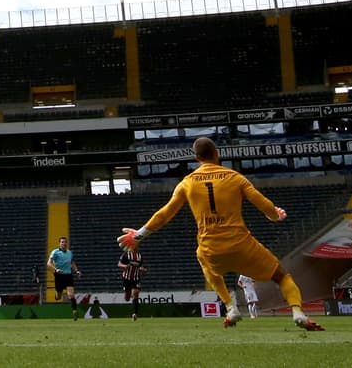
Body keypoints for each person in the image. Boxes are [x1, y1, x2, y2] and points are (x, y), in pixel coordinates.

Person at [116, 136, 323, 331]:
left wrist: (138, 235)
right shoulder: (235, 178)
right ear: (217, 154)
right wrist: (276, 215)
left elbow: (165, 214)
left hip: (211, 249)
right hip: (242, 245)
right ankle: (297, 312)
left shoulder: (187, 182)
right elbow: (265, 205)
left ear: (197, 158)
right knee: (282, 276)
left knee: (205, 263)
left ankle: (231, 308)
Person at [47, 236, 83, 320]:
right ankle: (57, 295)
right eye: (62, 242)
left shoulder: (69, 253)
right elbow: (48, 264)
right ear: (59, 243)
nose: (64, 243)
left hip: (68, 275)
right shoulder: (55, 252)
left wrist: (76, 271)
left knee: (71, 295)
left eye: (65, 242)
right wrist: (56, 269)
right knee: (59, 296)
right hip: (59, 276)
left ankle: (74, 311)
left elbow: (72, 262)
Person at [117, 244, 144, 320]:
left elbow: (140, 266)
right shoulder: (126, 255)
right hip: (127, 279)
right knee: (127, 298)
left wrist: (142, 269)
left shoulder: (140, 256)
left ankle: (135, 314)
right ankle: (131, 294)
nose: (136, 246)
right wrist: (124, 266)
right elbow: (119, 264)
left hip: (136, 278)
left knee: (136, 293)